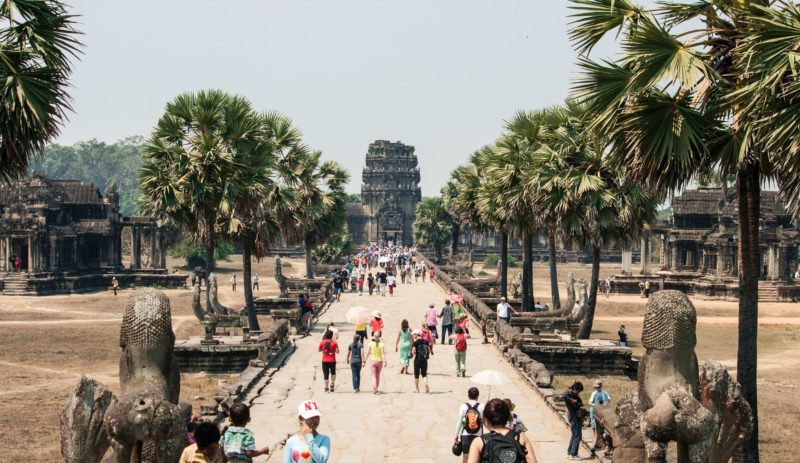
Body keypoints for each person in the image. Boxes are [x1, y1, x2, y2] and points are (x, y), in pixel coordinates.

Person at [466, 398, 538, 463]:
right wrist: (516, 433)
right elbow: (522, 429)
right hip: (513, 436)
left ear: (486, 420)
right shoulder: (521, 437)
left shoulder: (479, 442)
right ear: (507, 416)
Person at [454, 387, 485, 463]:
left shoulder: (463, 406)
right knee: (478, 457)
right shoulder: (482, 406)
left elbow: (460, 421)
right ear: (478, 395)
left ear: (468, 395)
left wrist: (456, 434)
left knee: (466, 457)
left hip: (466, 435)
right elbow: (484, 421)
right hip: (478, 435)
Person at [564, 381, 585, 460]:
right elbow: (565, 395)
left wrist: (577, 401)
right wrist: (572, 400)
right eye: (578, 391)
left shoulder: (575, 395)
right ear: (575, 389)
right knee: (577, 436)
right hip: (574, 417)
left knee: (574, 436)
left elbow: (580, 403)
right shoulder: (568, 395)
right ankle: (574, 454)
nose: (578, 393)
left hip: (576, 417)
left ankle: (570, 452)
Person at [589, 380, 611, 450]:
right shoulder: (594, 393)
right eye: (596, 387)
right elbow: (589, 402)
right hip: (595, 411)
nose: (597, 389)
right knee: (594, 425)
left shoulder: (604, 393)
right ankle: (595, 439)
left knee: (601, 426)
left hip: (602, 411)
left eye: (598, 387)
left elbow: (609, 400)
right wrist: (596, 405)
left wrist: (605, 404)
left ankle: (601, 440)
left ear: (601, 386)